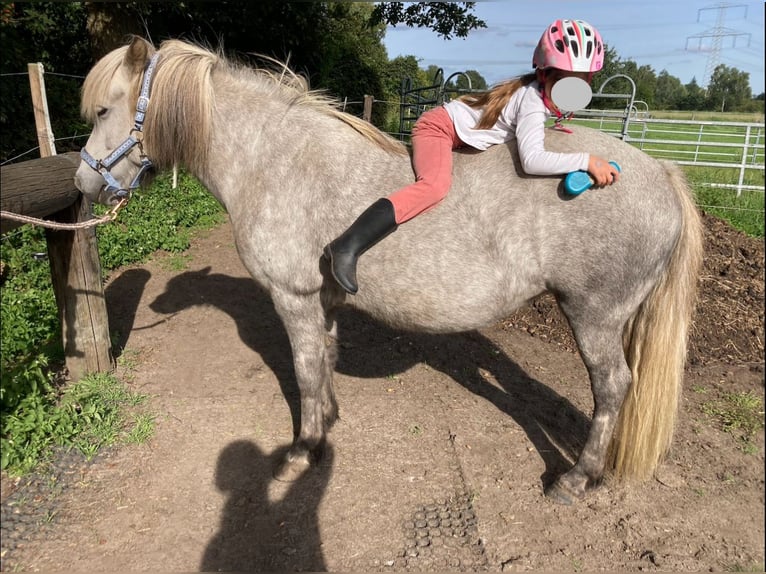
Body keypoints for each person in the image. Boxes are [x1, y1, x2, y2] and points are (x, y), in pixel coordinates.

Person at [324, 19, 620, 295]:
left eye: (580, 82)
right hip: (438, 129)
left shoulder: (533, 93)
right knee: (434, 186)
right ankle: (347, 246)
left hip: (453, 130)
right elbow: (532, 160)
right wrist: (586, 160)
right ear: (544, 74)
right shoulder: (531, 101)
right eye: (568, 82)